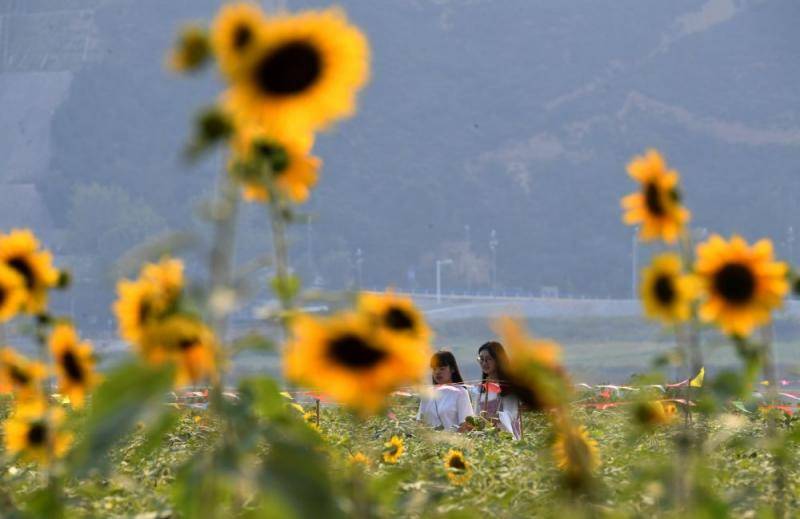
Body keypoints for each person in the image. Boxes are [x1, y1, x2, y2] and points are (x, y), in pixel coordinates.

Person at [469, 341, 521, 439]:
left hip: (505, 437)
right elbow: (476, 414)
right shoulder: (479, 390)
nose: (484, 363)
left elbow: (511, 414)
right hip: (485, 438)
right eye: (481, 359)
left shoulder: (508, 387)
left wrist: (494, 418)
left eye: (488, 359)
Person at [417, 351, 474, 432]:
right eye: (434, 369)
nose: (437, 372)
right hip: (428, 443)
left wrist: (451, 438)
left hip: (452, 442)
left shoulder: (460, 392)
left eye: (442, 368)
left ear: (452, 369)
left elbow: (467, 425)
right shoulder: (428, 393)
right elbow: (420, 422)